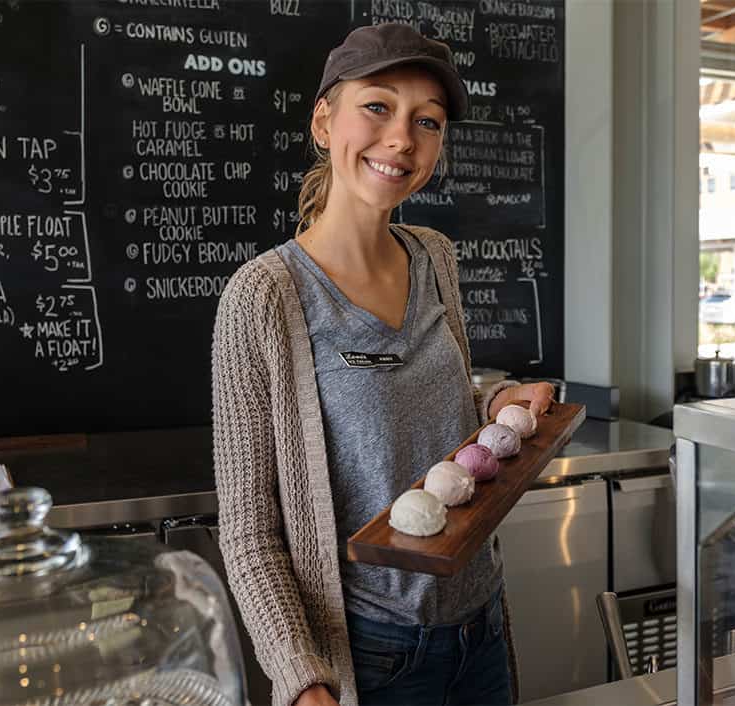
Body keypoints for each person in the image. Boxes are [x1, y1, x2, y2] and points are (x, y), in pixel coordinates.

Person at [212, 23, 555, 706]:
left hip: (480, 626)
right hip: (370, 655)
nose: (402, 137)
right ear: (323, 119)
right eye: (378, 106)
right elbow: (249, 529)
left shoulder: (435, 256)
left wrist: (496, 400)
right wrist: (303, 677)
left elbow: (431, 383)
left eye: (426, 121)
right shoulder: (264, 296)